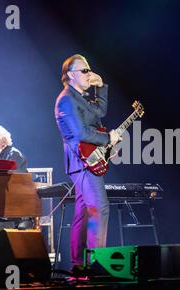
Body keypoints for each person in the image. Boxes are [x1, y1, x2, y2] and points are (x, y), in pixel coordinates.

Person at [54, 54, 121, 272]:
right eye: (84, 71)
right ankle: (97, 264)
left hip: (86, 160)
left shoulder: (80, 97)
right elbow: (79, 132)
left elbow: (99, 112)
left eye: (89, 70)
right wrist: (107, 138)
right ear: (70, 75)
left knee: (84, 213)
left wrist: (101, 87)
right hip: (82, 161)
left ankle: (79, 265)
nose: (89, 74)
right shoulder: (66, 99)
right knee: (100, 208)